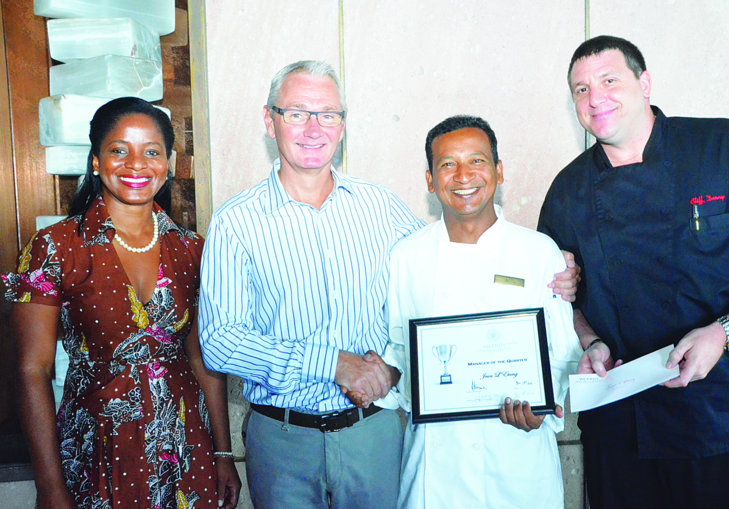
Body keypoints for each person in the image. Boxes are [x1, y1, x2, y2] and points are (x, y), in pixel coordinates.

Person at [198, 61, 580, 509]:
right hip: (283, 436)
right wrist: (332, 363)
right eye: (297, 113)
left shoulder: (381, 209)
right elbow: (220, 344)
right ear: (270, 120)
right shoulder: (235, 222)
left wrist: (558, 273)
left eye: (328, 114)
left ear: (342, 125)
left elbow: (455, 254)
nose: (314, 128)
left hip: (371, 433)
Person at [538, 35, 729, 509]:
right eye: (580, 89)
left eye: (608, 80)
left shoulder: (726, 148)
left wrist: (723, 332)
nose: (595, 97)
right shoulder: (567, 192)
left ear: (645, 83)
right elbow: (562, 299)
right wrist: (590, 341)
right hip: (624, 436)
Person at [3, 97, 241, 509]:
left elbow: (202, 358)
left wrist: (222, 453)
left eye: (151, 152)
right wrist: (49, 485)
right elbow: (31, 370)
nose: (136, 164)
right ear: (96, 160)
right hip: (97, 449)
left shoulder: (193, 249)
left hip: (186, 448)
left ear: (168, 163)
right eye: (119, 150)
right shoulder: (57, 247)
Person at [372, 115, 582, 509]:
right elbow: (399, 348)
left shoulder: (538, 252)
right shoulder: (407, 257)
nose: (463, 175)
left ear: (499, 171)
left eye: (477, 161)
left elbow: (564, 351)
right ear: (431, 181)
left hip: (519, 456)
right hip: (436, 466)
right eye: (447, 164)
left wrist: (543, 408)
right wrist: (382, 377)